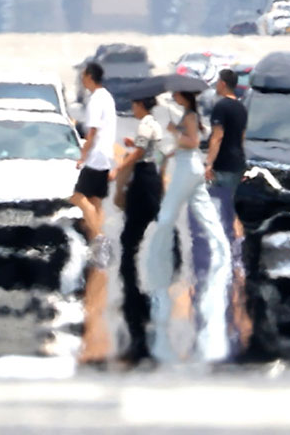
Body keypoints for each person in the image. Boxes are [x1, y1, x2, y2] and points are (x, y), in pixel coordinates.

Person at [144, 89, 231, 363]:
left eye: (177, 95)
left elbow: (192, 141)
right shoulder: (190, 115)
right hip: (190, 165)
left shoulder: (190, 116)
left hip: (187, 167)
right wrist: (173, 144)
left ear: (184, 96)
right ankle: (223, 248)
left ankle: (157, 253)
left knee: (167, 214)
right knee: (206, 213)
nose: (175, 97)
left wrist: (174, 131)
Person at [192, 69, 248, 354]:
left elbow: (217, 137)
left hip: (223, 164)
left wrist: (208, 164)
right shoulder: (241, 106)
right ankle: (238, 248)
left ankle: (226, 251)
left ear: (223, 83)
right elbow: (242, 137)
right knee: (232, 206)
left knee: (219, 208)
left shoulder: (221, 107)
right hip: (238, 162)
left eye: (217, 81)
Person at [112, 95, 164, 364]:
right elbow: (149, 149)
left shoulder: (145, 124)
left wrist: (120, 167)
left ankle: (132, 285)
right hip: (151, 177)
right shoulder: (152, 123)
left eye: (134, 104)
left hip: (143, 179)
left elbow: (141, 153)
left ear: (141, 104)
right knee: (145, 225)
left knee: (130, 236)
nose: (132, 108)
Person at [72, 63, 116, 363]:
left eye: (83, 77)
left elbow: (94, 131)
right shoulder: (108, 97)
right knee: (96, 202)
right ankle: (97, 242)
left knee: (78, 197)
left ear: (90, 77)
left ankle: (99, 238)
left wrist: (82, 155)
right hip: (106, 156)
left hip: (96, 156)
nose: (82, 81)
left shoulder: (97, 99)